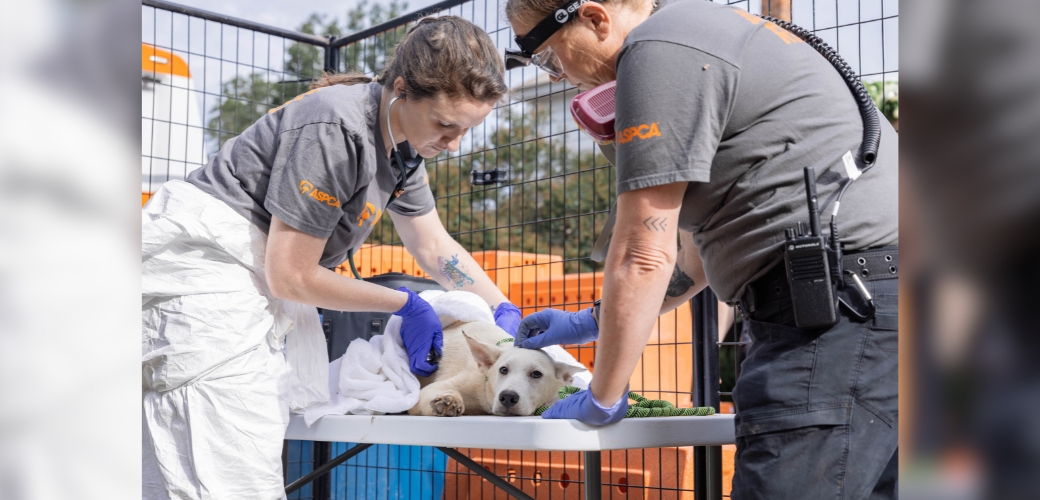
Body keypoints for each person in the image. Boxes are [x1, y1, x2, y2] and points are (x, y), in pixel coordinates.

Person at [503, 0, 899, 498]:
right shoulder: (705, 33)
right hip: (882, 307)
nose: (557, 76)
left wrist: (601, 396)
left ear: (595, 18)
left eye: (549, 57)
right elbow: (690, 257)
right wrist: (593, 321)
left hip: (835, 317)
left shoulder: (654, 51)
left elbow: (643, 255)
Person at [142, 16, 521, 500]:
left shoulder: (404, 151)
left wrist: (505, 313)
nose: (453, 145)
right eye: (446, 125)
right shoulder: (336, 127)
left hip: (253, 281)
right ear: (401, 90)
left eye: (467, 129)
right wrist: (405, 304)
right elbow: (293, 274)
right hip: (208, 271)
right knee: (226, 461)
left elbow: (433, 247)